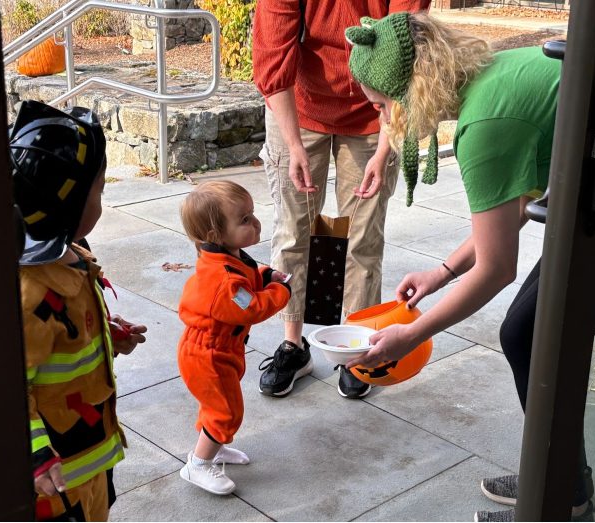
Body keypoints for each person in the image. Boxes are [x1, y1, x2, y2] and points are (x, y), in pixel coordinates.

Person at [343, 12, 595, 522]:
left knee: (532, 334)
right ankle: (557, 479)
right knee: (533, 330)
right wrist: (441, 273)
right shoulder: (496, 73)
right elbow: (510, 210)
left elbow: (495, 269)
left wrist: (413, 335)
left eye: (382, 105)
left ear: (412, 89)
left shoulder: (484, 125)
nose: (382, 120)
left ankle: (559, 494)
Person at [252, 0, 430, 400]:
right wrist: (293, 144)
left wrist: (385, 150)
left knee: (361, 235)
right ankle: (294, 345)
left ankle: (358, 348)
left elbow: (409, 63)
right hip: (298, 106)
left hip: (375, 112)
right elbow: (272, 57)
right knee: (295, 229)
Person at [12, 100, 148, 521]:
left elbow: (64, 339)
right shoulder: (32, 292)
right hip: (58, 481)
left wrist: (106, 333)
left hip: (92, 456)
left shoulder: (72, 257)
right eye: (99, 190)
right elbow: (11, 383)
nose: (102, 200)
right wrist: (33, 451)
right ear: (68, 204)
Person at [177, 180, 292, 495]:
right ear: (215, 235)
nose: (254, 223)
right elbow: (251, 307)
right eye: (244, 219)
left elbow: (249, 272)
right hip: (207, 356)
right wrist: (280, 290)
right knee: (226, 411)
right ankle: (198, 464)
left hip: (219, 350)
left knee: (216, 404)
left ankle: (213, 444)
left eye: (252, 214)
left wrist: (267, 275)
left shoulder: (228, 255)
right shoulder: (221, 283)